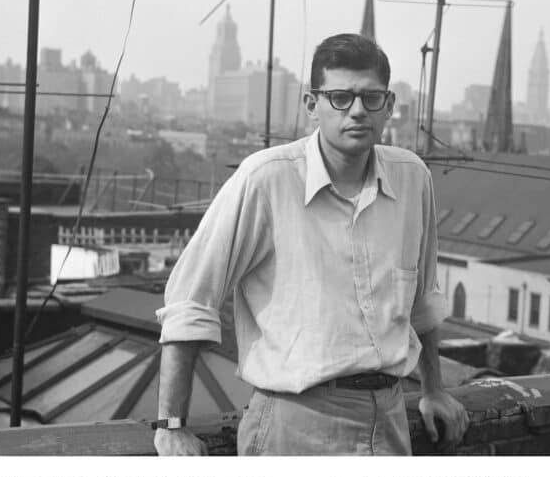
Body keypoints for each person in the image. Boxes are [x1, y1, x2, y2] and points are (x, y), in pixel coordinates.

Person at [153, 32, 469, 455]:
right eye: (340, 97)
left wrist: (434, 389)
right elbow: (191, 299)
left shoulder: (412, 178)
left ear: (389, 105)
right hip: (294, 425)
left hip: (390, 418)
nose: (357, 111)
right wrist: (171, 424)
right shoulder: (267, 179)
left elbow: (423, 302)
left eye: (371, 98)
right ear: (311, 105)